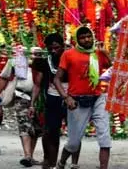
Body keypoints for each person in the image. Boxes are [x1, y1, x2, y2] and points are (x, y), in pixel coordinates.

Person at [54, 26, 112, 169]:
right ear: (77, 40)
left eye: (88, 36)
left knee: (105, 139)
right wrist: (66, 97)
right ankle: (61, 163)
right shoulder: (68, 54)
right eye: (82, 37)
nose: (86, 39)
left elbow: (113, 69)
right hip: (77, 100)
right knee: (73, 143)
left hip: (98, 98)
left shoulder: (99, 53)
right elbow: (57, 80)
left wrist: (106, 54)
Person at [31, 34, 80, 169]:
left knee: (75, 132)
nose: (53, 51)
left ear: (63, 46)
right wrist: (32, 104)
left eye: (56, 48)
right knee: (50, 132)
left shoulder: (72, 59)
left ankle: (74, 163)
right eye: (50, 48)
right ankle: (50, 162)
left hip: (71, 99)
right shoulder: (44, 62)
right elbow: (37, 85)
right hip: (52, 99)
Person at [0, 50, 43, 167]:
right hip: (22, 96)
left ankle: (30, 155)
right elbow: (4, 78)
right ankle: (27, 155)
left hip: (42, 98)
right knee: (24, 125)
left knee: (36, 128)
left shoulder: (44, 57)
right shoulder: (15, 58)